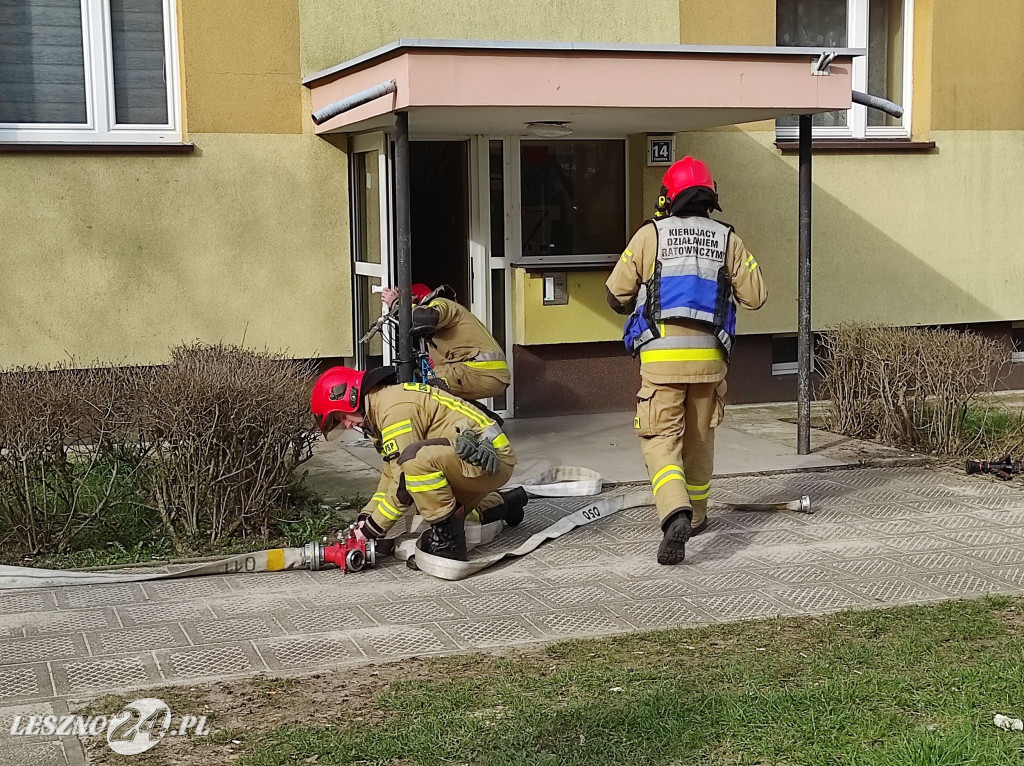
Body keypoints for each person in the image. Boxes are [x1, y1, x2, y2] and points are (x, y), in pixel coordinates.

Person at [605, 156, 767, 565]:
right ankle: (696, 518)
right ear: (711, 196)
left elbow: (615, 295)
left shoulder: (650, 235)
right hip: (711, 363)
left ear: (669, 196)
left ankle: (674, 510)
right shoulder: (728, 238)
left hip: (661, 362)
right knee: (698, 443)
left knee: (661, 441)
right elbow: (756, 296)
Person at [311, 365, 526, 561]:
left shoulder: (393, 411)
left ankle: (449, 547)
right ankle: (508, 503)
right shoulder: (380, 405)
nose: (347, 425)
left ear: (350, 396)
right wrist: (367, 516)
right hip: (479, 461)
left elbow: (402, 481)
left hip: (487, 458)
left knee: (415, 464)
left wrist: (371, 530)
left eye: (341, 417)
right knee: (437, 506)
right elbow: (390, 473)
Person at [380, 283, 509, 401]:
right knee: (445, 397)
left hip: (480, 370)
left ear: (415, 298)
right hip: (482, 372)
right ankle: (487, 419)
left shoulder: (441, 303)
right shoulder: (436, 333)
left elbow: (426, 317)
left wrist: (397, 303)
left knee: (420, 385)